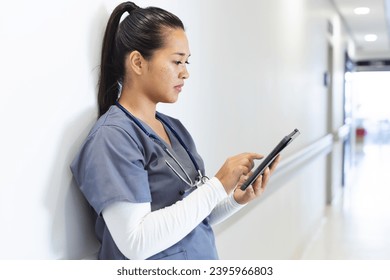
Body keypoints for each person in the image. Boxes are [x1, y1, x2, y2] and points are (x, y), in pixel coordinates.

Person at [70, 1, 280, 260]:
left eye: (187, 62)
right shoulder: (112, 138)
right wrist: (217, 185)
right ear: (137, 62)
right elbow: (136, 242)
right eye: (177, 61)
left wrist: (234, 199)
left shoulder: (173, 128)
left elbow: (190, 217)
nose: (185, 73)